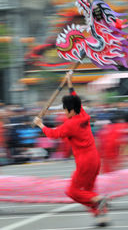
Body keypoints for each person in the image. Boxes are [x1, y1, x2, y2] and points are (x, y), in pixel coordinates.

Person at [33, 71, 109, 227]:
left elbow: (53, 134)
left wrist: (40, 124)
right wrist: (69, 82)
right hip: (95, 160)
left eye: (65, 109)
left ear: (71, 110)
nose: (64, 112)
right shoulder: (82, 114)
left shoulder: (70, 124)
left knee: (73, 192)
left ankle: (98, 200)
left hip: (84, 163)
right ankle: (101, 216)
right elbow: (75, 98)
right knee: (87, 191)